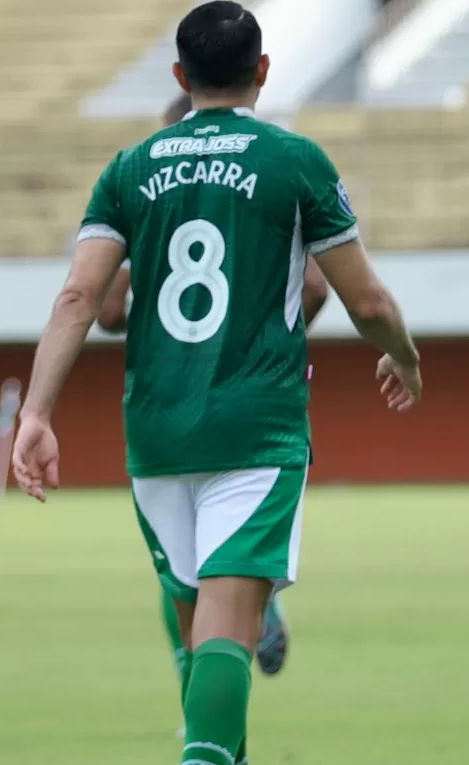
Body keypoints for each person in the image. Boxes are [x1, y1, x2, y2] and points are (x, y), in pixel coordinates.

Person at [11, 0, 422, 765]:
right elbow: (366, 300)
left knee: (203, 633)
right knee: (229, 626)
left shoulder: (130, 167)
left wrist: (36, 413)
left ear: (177, 77)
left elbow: (83, 300)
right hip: (256, 424)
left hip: (155, 433)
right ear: (263, 71)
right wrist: (405, 358)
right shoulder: (293, 160)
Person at [99, 91, 322, 688]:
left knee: (181, 577)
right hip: (253, 402)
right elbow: (322, 288)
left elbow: (107, 309)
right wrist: (263, 336)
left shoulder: (148, 189)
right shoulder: (269, 179)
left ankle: (198, 717)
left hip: (168, 408)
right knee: (229, 569)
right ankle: (246, 640)